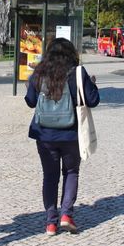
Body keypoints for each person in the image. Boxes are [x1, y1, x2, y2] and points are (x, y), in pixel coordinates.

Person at [25, 38, 100, 236]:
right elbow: (93, 100)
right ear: (71, 54)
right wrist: (91, 84)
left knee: (50, 176)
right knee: (71, 172)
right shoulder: (77, 72)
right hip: (71, 134)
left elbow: (30, 102)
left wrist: (30, 86)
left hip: (45, 134)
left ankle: (50, 222)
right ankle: (66, 215)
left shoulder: (39, 73)